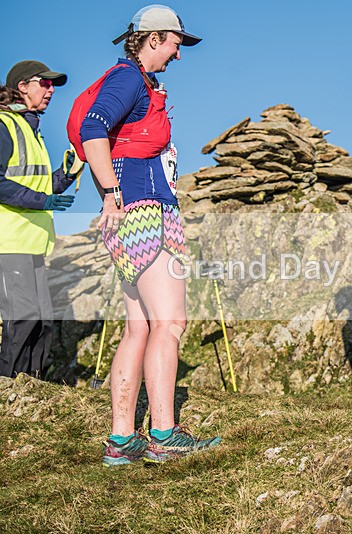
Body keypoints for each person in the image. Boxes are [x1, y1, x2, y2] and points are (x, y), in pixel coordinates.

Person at [75, 5, 219, 466]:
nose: (178, 54)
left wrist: (111, 197)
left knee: (139, 326)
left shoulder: (134, 80)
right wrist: (113, 194)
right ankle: (162, 433)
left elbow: (101, 136)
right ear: (154, 38)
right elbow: (92, 127)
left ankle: (122, 440)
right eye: (176, 44)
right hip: (146, 212)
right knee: (169, 323)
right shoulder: (129, 79)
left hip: (129, 217)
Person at [0, 60, 79, 379]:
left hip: (33, 242)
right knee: (23, 316)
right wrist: (43, 199)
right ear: (22, 86)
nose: (51, 90)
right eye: (44, 83)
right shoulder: (4, 125)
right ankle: (6, 386)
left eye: (53, 86)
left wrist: (68, 172)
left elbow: (43, 186)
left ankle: (31, 387)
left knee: (43, 319)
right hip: (9, 240)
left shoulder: (33, 132)